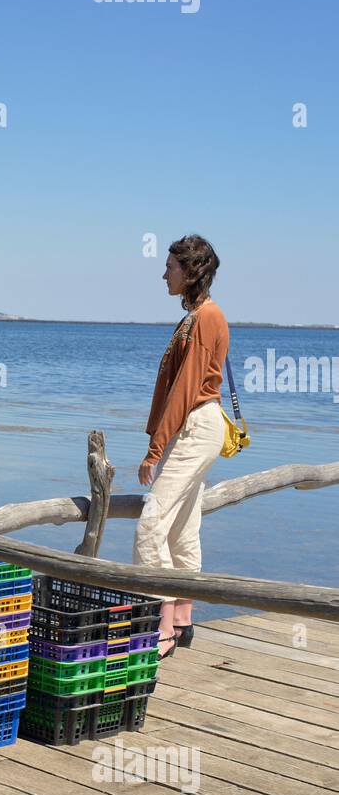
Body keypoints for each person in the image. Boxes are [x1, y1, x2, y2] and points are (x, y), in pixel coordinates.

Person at [134, 235, 228, 661]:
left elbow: (186, 389)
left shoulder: (206, 318)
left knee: (150, 524)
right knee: (181, 527)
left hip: (195, 426)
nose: (163, 274)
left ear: (191, 272)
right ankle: (185, 619)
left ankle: (162, 626)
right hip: (193, 426)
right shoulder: (196, 316)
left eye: (170, 267)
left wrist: (155, 450)